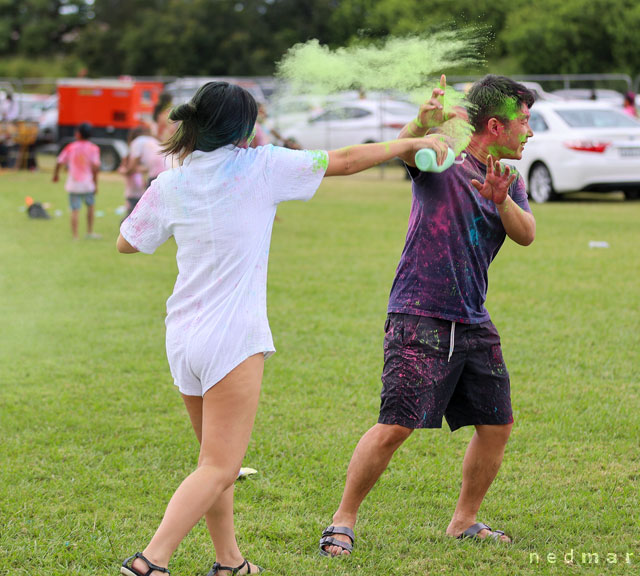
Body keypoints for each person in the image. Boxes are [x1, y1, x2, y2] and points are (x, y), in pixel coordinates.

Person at [116, 80, 447, 576]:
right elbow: (347, 159)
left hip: (182, 337)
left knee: (214, 465)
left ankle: (230, 562)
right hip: (232, 338)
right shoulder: (262, 166)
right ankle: (151, 560)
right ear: (245, 127)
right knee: (219, 468)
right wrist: (411, 142)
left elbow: (127, 243)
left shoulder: (172, 179)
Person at [318, 74, 536, 557]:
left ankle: (464, 521)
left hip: (472, 317)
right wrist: (420, 121)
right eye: (524, 121)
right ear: (496, 124)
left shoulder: (508, 177)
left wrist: (500, 202)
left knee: (496, 423)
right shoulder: (443, 157)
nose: (530, 131)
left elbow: (526, 233)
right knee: (396, 424)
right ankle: (342, 520)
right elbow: (401, 151)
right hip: (419, 311)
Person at [52, 122, 101, 239]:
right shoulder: (94, 148)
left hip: (73, 183)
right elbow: (95, 168)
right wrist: (95, 184)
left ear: (78, 134)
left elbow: (59, 162)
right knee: (90, 207)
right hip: (88, 184)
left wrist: (56, 175)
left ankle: (75, 235)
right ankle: (89, 232)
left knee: (75, 209)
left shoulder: (70, 147)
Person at [118, 126, 150, 219]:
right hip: (131, 193)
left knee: (137, 216)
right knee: (130, 216)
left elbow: (144, 170)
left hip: (140, 192)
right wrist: (129, 170)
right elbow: (122, 169)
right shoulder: (129, 155)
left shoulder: (140, 156)